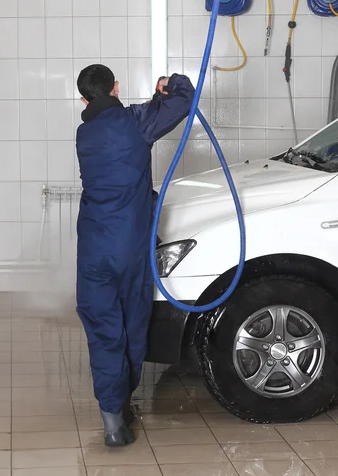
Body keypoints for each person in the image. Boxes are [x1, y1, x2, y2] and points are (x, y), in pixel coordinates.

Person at [75, 64, 195, 446]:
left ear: (83, 99)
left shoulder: (83, 133)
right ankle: (121, 404)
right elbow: (184, 100)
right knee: (131, 326)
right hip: (129, 246)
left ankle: (113, 418)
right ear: (115, 87)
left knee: (103, 331)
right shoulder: (135, 122)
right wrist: (168, 85)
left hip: (93, 249)